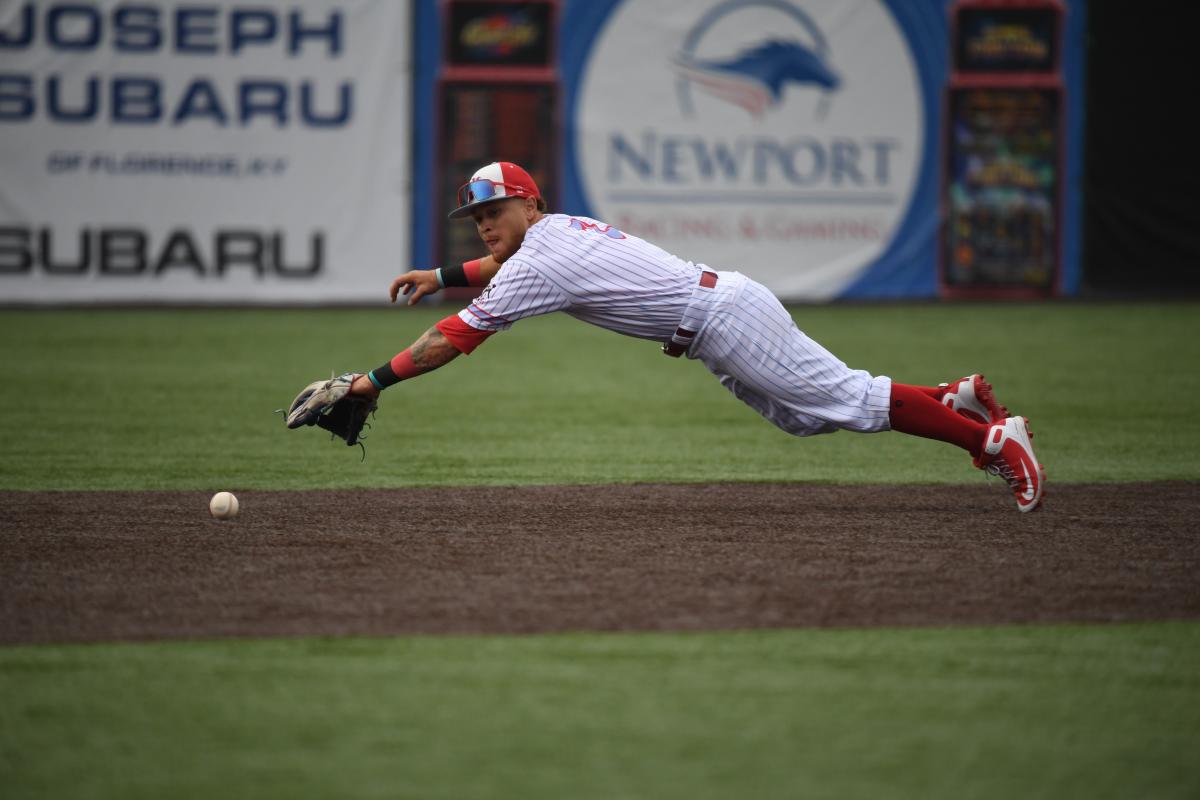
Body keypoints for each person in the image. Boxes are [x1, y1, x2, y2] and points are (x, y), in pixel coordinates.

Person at [348, 161, 1045, 512]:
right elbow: (500, 260)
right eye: (477, 217)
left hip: (722, 318)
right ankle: (954, 398)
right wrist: (442, 272)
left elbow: (452, 339)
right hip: (718, 318)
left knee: (852, 401)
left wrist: (371, 380)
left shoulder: (543, 257)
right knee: (809, 417)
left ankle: (990, 442)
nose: (485, 225)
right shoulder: (553, 231)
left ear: (530, 202)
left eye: (494, 209)